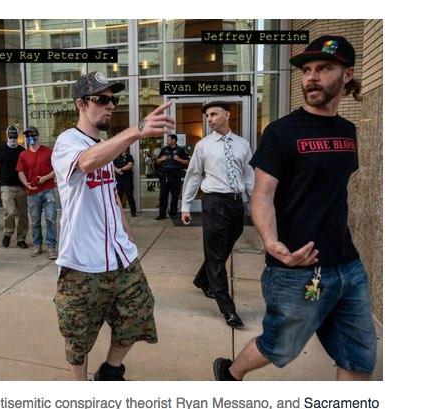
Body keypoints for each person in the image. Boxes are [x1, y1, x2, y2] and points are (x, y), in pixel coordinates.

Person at [213, 35, 377, 382]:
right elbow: (262, 195)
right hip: (296, 267)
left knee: (359, 357)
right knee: (279, 347)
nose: (311, 77)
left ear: (347, 74)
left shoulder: (349, 132)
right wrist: (271, 243)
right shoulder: (281, 132)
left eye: (323, 68)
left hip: (348, 265)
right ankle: (229, 373)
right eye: (306, 70)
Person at [51, 71, 175, 381]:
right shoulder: (68, 142)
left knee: (139, 311)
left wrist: (127, 232)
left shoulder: (105, 144)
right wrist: (136, 131)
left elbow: (110, 193)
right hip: (82, 262)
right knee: (78, 333)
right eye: (103, 100)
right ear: (81, 104)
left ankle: (110, 369)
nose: (110, 106)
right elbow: (85, 163)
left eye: (113, 100)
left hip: (120, 256)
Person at [181, 102, 254, 329]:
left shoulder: (242, 144)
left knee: (222, 249)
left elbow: (248, 174)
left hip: (235, 204)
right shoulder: (204, 145)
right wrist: (186, 205)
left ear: (227, 115)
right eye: (207, 115)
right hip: (214, 202)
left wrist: (253, 201)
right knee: (215, 254)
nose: (209, 118)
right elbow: (193, 175)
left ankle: (203, 279)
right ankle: (228, 308)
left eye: (214, 114)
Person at [16, 126, 58, 260]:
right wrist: (25, 183)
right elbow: (20, 171)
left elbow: (56, 169)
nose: (30, 138)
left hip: (48, 190)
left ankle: (51, 247)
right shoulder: (23, 154)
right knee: (35, 221)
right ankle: (37, 245)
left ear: (37, 136)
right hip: (32, 192)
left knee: (51, 219)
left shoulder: (48, 151)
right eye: (27, 136)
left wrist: (44, 178)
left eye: (32, 135)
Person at [0, 125, 29, 249]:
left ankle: (21, 238)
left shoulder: (22, 151)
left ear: (17, 136)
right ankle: (8, 233)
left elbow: (27, 169)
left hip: (21, 187)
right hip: (6, 187)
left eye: (14, 137)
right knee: (10, 211)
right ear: (7, 136)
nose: (12, 139)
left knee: (23, 214)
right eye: (10, 136)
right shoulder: (1, 150)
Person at [155, 134, 188, 220]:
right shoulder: (164, 149)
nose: (167, 141)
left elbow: (187, 162)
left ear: (174, 140)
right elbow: (157, 162)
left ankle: (173, 214)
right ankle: (162, 214)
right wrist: (160, 159)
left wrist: (179, 159)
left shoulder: (180, 150)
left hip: (175, 177)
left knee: (175, 196)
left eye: (168, 139)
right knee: (163, 197)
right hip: (165, 177)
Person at [113, 147, 137, 217]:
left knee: (129, 195)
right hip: (118, 179)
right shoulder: (116, 157)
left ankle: (133, 212)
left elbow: (130, 165)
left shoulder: (129, 156)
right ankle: (118, 212)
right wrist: (117, 170)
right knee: (118, 196)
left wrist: (121, 169)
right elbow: (112, 165)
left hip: (127, 179)